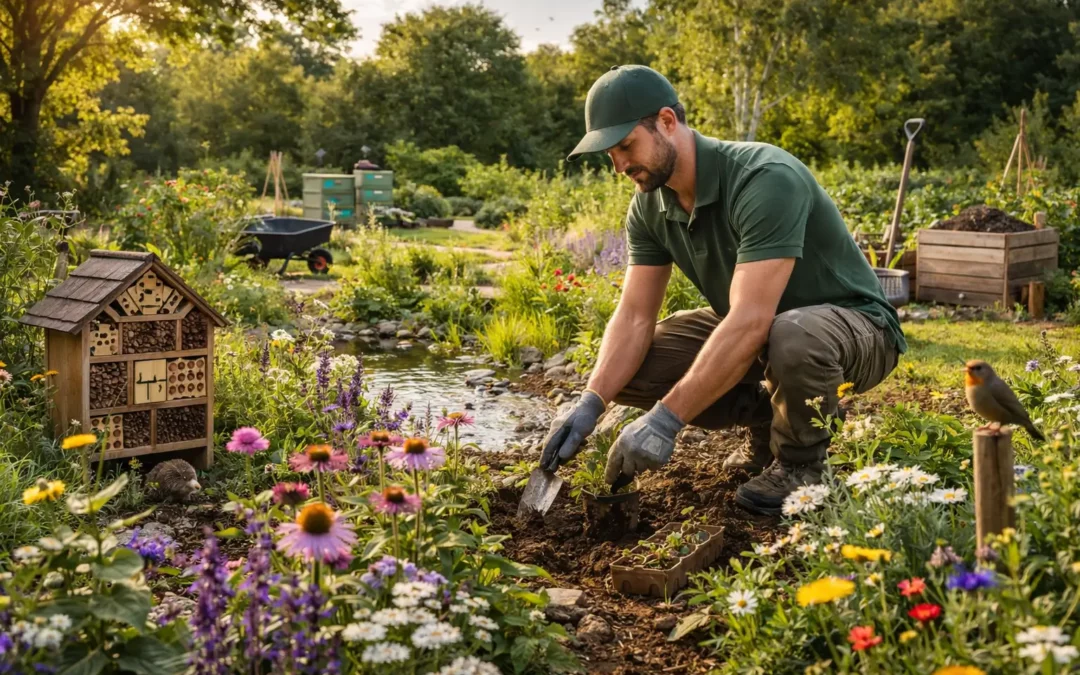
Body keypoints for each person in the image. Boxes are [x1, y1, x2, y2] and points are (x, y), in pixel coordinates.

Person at [539, 65, 905, 515]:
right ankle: (774, 416)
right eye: (609, 154)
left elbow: (751, 318)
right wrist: (590, 403)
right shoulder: (649, 207)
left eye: (625, 146)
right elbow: (634, 316)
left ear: (667, 122)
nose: (618, 166)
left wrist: (666, 420)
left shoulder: (764, 178)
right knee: (632, 370)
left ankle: (802, 464)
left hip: (856, 328)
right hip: (769, 329)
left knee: (791, 333)